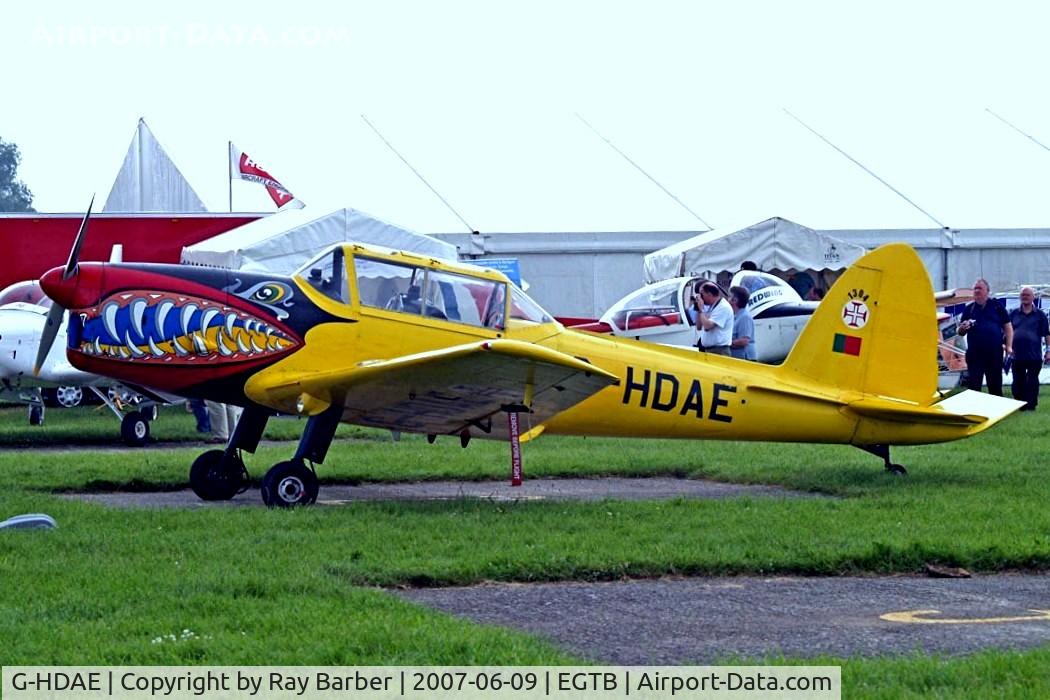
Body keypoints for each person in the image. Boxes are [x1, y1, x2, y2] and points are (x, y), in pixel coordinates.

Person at [958, 278, 1013, 396]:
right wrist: (962, 328)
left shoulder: (997, 306)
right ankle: (974, 412)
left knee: (995, 385)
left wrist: (1009, 347)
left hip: (994, 354)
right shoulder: (969, 309)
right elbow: (960, 332)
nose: (977, 291)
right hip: (975, 355)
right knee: (974, 386)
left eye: (980, 288)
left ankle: (996, 412)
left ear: (987, 291)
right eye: (975, 289)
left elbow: (1008, 328)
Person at [1008, 286, 1050, 410]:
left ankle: (1031, 406)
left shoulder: (1040, 315)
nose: (1025, 297)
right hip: (1016, 354)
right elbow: (1007, 332)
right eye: (1023, 295)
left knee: (1032, 381)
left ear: (1033, 297)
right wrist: (1007, 348)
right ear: (1020, 297)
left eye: (1027, 295)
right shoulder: (1013, 314)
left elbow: (1047, 334)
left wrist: (1048, 351)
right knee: (1017, 382)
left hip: (1034, 355)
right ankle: (1019, 405)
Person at [694, 282, 733, 355]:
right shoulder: (712, 307)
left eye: (702, 294)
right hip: (709, 350)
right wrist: (698, 309)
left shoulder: (723, 307)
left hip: (720, 351)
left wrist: (701, 310)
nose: (701, 297)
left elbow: (707, 326)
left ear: (709, 294)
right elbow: (699, 326)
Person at [728, 286, 757, 360]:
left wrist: (725, 343)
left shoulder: (745, 317)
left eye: (729, 296)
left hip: (745, 359)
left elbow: (744, 341)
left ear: (735, 300)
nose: (727, 299)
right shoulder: (735, 316)